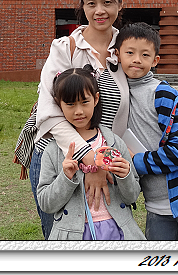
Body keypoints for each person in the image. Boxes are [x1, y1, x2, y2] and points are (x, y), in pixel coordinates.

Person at [30, 0, 130, 239]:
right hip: (57, 157)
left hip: (105, 156)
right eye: (91, 3)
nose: (100, 11)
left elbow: (145, 95)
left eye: (108, 2)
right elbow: (49, 112)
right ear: (82, 6)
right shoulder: (65, 48)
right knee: (62, 238)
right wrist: (88, 160)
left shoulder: (126, 48)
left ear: (120, 4)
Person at [116, 22, 178, 240]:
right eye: (130, 52)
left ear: (155, 61)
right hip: (155, 204)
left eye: (145, 54)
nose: (136, 59)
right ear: (117, 55)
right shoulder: (117, 93)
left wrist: (133, 163)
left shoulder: (163, 94)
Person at [36, 67, 145, 240]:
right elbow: (46, 204)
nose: (78, 111)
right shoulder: (53, 151)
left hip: (117, 231)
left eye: (84, 102)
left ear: (95, 99)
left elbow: (132, 196)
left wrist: (125, 176)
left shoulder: (115, 143)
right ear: (58, 104)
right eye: (70, 104)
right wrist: (65, 177)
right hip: (73, 235)